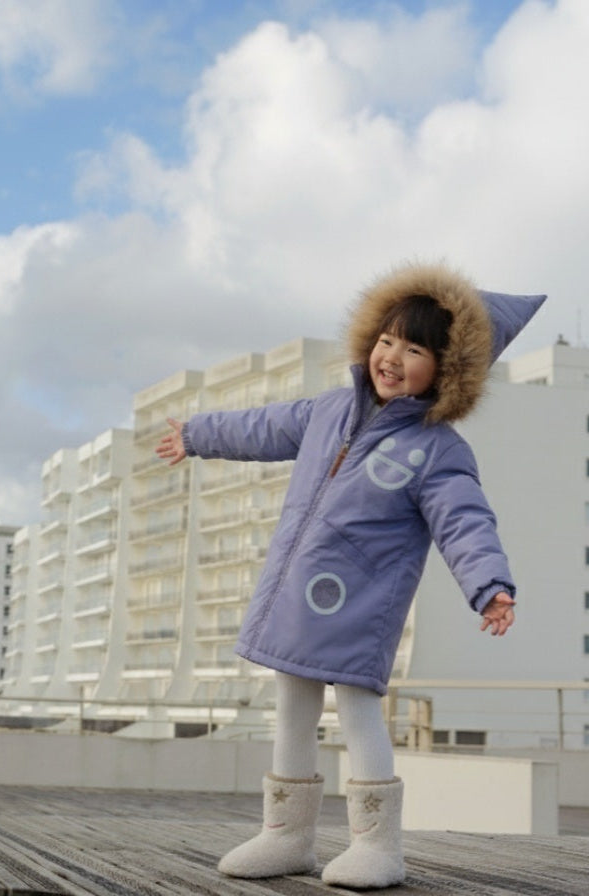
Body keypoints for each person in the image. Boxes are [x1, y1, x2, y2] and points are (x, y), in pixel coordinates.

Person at [155, 262, 545, 889]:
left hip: (361, 606)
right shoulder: (330, 409)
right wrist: (198, 433)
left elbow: (466, 521)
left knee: (359, 711)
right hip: (299, 595)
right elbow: (263, 425)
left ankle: (377, 844)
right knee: (291, 708)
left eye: (414, 348)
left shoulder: (438, 449)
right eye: (387, 339)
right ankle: (287, 836)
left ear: (447, 370)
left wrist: (489, 585)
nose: (392, 357)